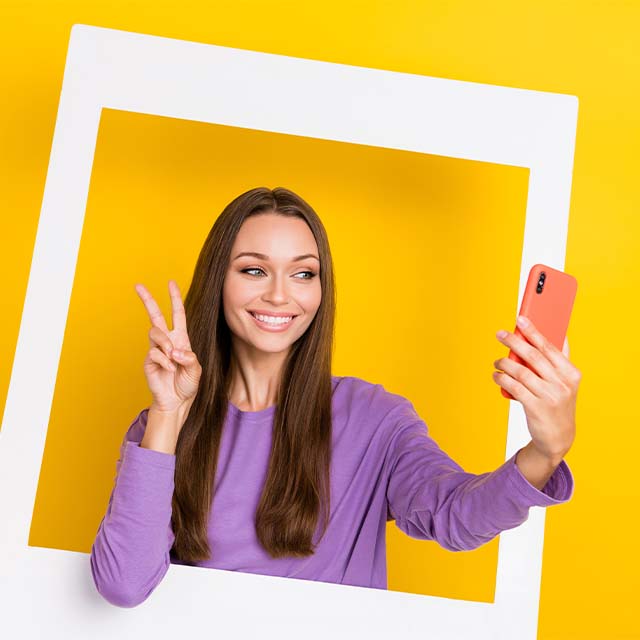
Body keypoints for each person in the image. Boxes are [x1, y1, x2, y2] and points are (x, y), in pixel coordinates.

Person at [90, 186, 579, 608]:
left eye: (303, 274)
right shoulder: (163, 427)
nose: (280, 296)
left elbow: (456, 517)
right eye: (254, 270)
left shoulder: (374, 421)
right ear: (218, 280)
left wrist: (544, 451)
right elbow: (124, 585)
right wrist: (169, 413)